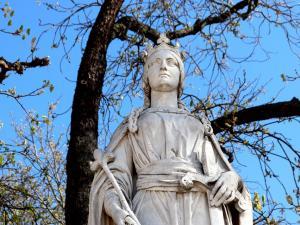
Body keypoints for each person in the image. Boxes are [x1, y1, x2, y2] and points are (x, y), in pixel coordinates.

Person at [88, 34, 253, 225]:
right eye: (155, 63)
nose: (163, 66)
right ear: (146, 77)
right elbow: (113, 180)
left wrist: (232, 179)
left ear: (181, 76)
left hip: (202, 205)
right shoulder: (133, 125)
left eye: (171, 62)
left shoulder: (199, 125)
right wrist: (117, 211)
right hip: (151, 204)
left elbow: (220, 172)